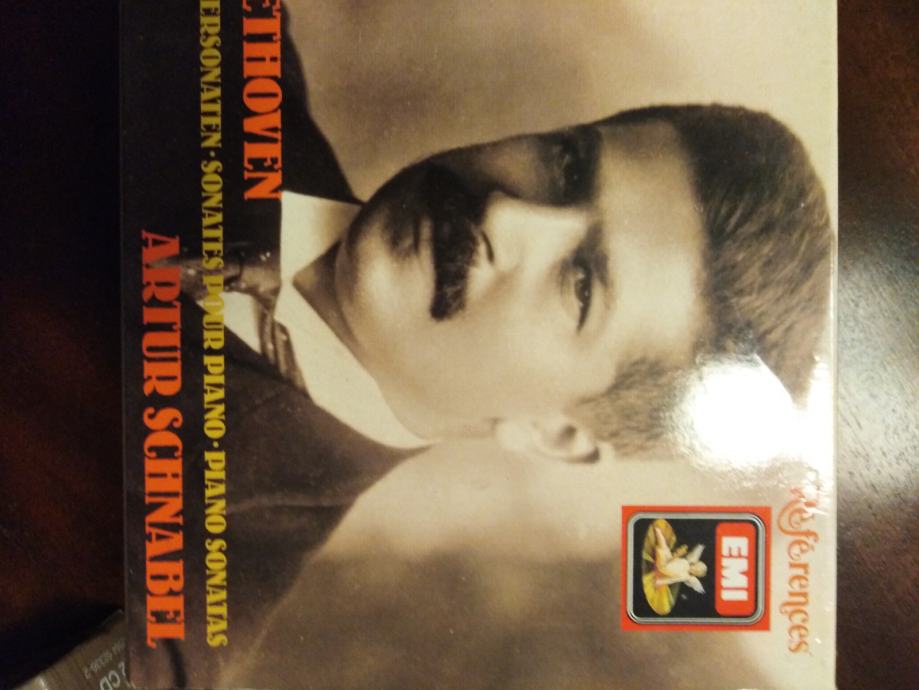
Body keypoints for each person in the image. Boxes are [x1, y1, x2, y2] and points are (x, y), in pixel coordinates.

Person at [124, 3, 832, 687]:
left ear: (556, 433)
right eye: (566, 165)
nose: (505, 212)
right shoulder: (216, 32)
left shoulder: (165, 624)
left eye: (580, 285)